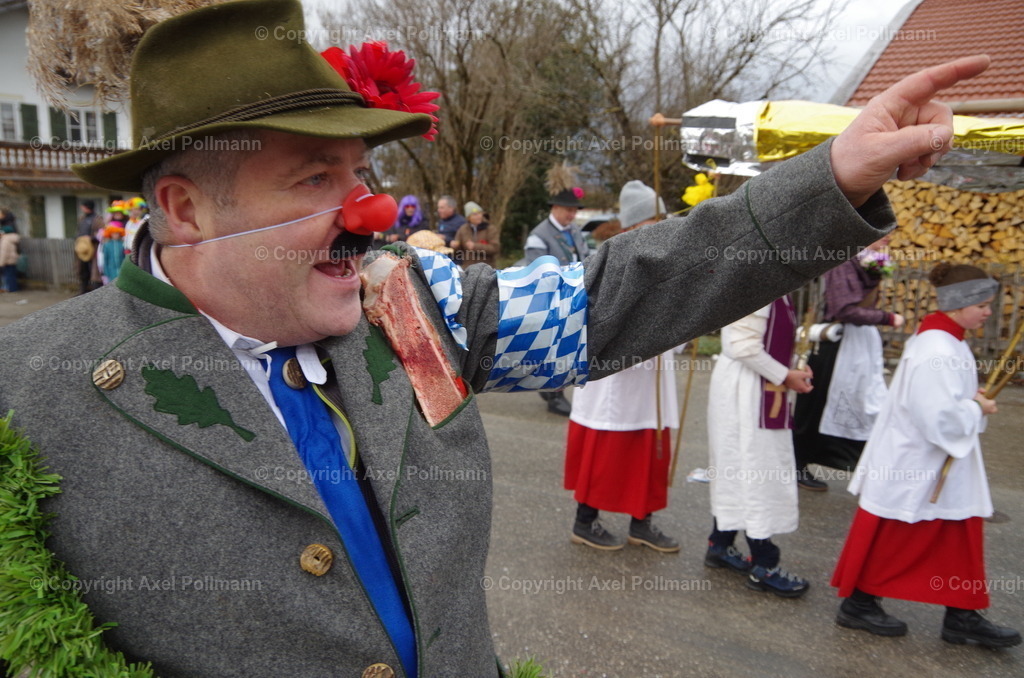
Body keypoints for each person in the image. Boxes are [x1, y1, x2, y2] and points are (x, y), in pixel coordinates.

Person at [0, 0, 992, 673]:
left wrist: (832, 178)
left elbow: (621, 293)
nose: (371, 214)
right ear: (187, 206)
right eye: (314, 181)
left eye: (362, 177)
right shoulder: (31, 393)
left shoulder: (409, 300)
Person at [831, 262, 1019, 647]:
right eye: (982, 304)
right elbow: (935, 415)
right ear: (957, 304)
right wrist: (974, 409)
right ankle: (860, 603)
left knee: (957, 532)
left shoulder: (949, 339)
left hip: (934, 461)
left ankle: (961, 615)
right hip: (917, 460)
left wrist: (971, 402)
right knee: (900, 531)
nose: (988, 311)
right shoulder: (937, 347)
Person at [564, 180, 679, 553]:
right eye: (654, 217)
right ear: (636, 223)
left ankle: (642, 521)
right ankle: (586, 519)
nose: (662, 223)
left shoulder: (665, 252)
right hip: (620, 371)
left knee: (649, 446)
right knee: (609, 447)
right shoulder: (617, 257)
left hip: (654, 373)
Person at [704, 294, 814, 597]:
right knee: (754, 469)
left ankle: (720, 543)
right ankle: (764, 563)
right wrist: (785, 375)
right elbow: (741, 345)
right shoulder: (761, 281)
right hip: (746, 390)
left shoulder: (775, 280)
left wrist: (793, 367)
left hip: (757, 384)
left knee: (740, 465)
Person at [793, 235, 905, 490]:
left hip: (858, 343)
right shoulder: (842, 261)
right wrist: (886, 317)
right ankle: (796, 463)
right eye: (882, 231)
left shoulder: (869, 260)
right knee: (816, 403)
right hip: (836, 344)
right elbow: (844, 309)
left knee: (864, 400)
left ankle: (865, 463)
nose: (889, 237)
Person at [525, 178, 589, 416]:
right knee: (557, 348)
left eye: (574, 211)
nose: (572, 215)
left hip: (575, 297)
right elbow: (538, 273)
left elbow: (585, 257)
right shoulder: (538, 235)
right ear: (555, 208)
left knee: (569, 347)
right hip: (552, 301)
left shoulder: (574, 231)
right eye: (569, 210)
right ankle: (554, 394)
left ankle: (550, 387)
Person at [450, 201, 500, 269]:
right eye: (474, 214)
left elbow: (495, 248)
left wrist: (475, 246)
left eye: (479, 213)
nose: (478, 216)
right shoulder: (463, 229)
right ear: (468, 217)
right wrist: (455, 246)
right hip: (468, 269)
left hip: (487, 269)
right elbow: (457, 252)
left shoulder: (490, 229)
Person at [75, 200, 104, 294]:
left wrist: (91, 238)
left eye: (83, 206)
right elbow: (79, 231)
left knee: (94, 270)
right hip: (82, 248)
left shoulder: (97, 219)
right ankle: (83, 290)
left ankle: (95, 291)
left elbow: (101, 233)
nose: (81, 208)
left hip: (93, 248)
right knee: (82, 270)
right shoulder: (82, 218)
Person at [0, 213, 20, 293]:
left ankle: (11, 289)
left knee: (9, 276)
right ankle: (13, 288)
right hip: (13, 259)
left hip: (8, 260)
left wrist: (1, 263)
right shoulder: (13, 238)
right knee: (12, 275)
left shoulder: (6, 240)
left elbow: (4, 252)